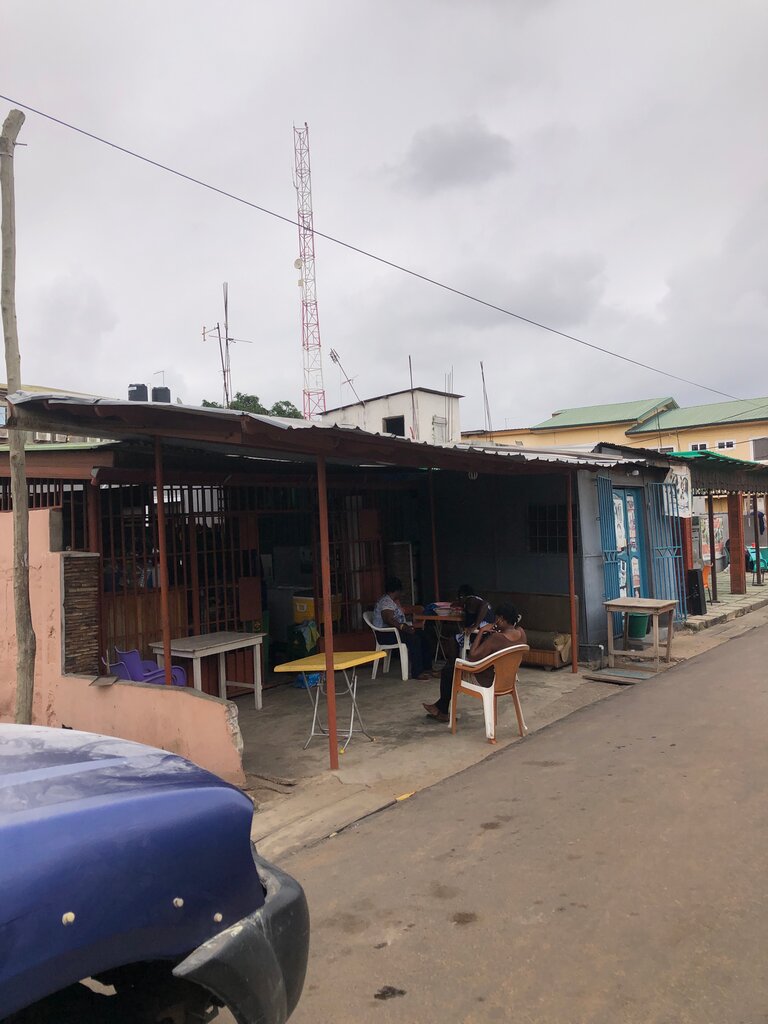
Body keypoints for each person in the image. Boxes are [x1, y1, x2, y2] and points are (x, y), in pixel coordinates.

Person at [422, 603, 526, 722]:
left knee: (449, 670)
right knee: (451, 670)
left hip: (487, 680)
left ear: (501, 619)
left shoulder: (497, 638)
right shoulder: (521, 633)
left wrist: (482, 631)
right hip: (507, 679)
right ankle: (440, 707)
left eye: (496, 619)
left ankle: (443, 711)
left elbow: (472, 656)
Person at [373, 576, 433, 681]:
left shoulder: (393, 601)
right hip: (386, 634)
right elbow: (388, 619)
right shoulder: (386, 602)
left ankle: (427, 668)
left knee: (423, 635)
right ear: (397, 590)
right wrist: (403, 627)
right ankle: (417, 672)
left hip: (396, 632)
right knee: (414, 639)